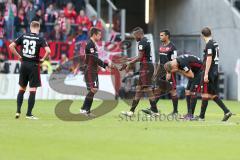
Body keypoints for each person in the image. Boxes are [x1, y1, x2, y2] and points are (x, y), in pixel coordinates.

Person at [9, 21, 51, 120]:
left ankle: (18, 111)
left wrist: (19, 57)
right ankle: (29, 114)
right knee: (32, 90)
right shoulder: (40, 38)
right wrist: (43, 59)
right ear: (38, 28)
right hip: (34, 65)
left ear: (31, 27)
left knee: (22, 88)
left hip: (24, 65)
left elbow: (11, 46)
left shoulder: (23, 36)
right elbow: (48, 51)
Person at [193, 27, 232, 121]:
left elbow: (209, 58)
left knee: (205, 94)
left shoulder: (209, 44)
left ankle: (201, 117)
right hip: (215, 71)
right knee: (212, 94)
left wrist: (206, 74)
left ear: (202, 35)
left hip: (209, 71)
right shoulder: (215, 43)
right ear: (211, 33)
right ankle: (227, 111)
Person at [121, 27, 159, 117]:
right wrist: (130, 59)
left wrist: (129, 63)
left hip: (146, 67)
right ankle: (131, 111)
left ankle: (155, 111)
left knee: (147, 89)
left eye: (134, 35)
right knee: (139, 89)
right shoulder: (145, 40)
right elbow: (141, 56)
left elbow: (139, 57)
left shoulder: (142, 42)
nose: (134, 38)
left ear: (139, 34)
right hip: (146, 66)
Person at [76, 27, 114, 116]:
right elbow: (94, 58)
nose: (100, 36)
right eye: (99, 35)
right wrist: (104, 65)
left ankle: (86, 110)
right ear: (94, 35)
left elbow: (94, 59)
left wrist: (101, 67)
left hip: (93, 70)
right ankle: (84, 109)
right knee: (93, 89)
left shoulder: (93, 44)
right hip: (90, 71)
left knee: (94, 90)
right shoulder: (90, 45)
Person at [164, 54, 203, 119]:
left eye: (172, 71)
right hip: (194, 71)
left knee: (193, 92)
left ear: (173, 66)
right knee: (187, 91)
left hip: (200, 71)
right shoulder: (174, 62)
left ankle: (191, 115)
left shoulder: (182, 63)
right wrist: (168, 73)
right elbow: (168, 67)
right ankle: (189, 113)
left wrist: (179, 70)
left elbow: (191, 75)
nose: (173, 72)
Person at [151, 30, 179, 115]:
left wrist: (169, 72)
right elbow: (160, 60)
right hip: (161, 72)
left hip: (169, 72)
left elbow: (174, 61)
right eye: (160, 35)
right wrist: (156, 71)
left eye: (162, 35)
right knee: (158, 90)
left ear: (167, 36)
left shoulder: (172, 47)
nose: (160, 37)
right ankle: (153, 109)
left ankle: (175, 111)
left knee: (172, 90)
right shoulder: (161, 47)